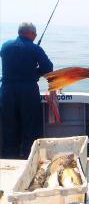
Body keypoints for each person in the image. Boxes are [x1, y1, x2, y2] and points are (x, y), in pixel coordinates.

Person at [0, 22, 53, 158]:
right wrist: (35, 73)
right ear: (30, 33)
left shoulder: (5, 46)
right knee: (30, 128)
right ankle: (27, 158)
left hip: (7, 92)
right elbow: (48, 68)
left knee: (9, 128)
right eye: (34, 33)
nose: (35, 36)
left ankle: (9, 160)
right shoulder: (35, 49)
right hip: (28, 92)